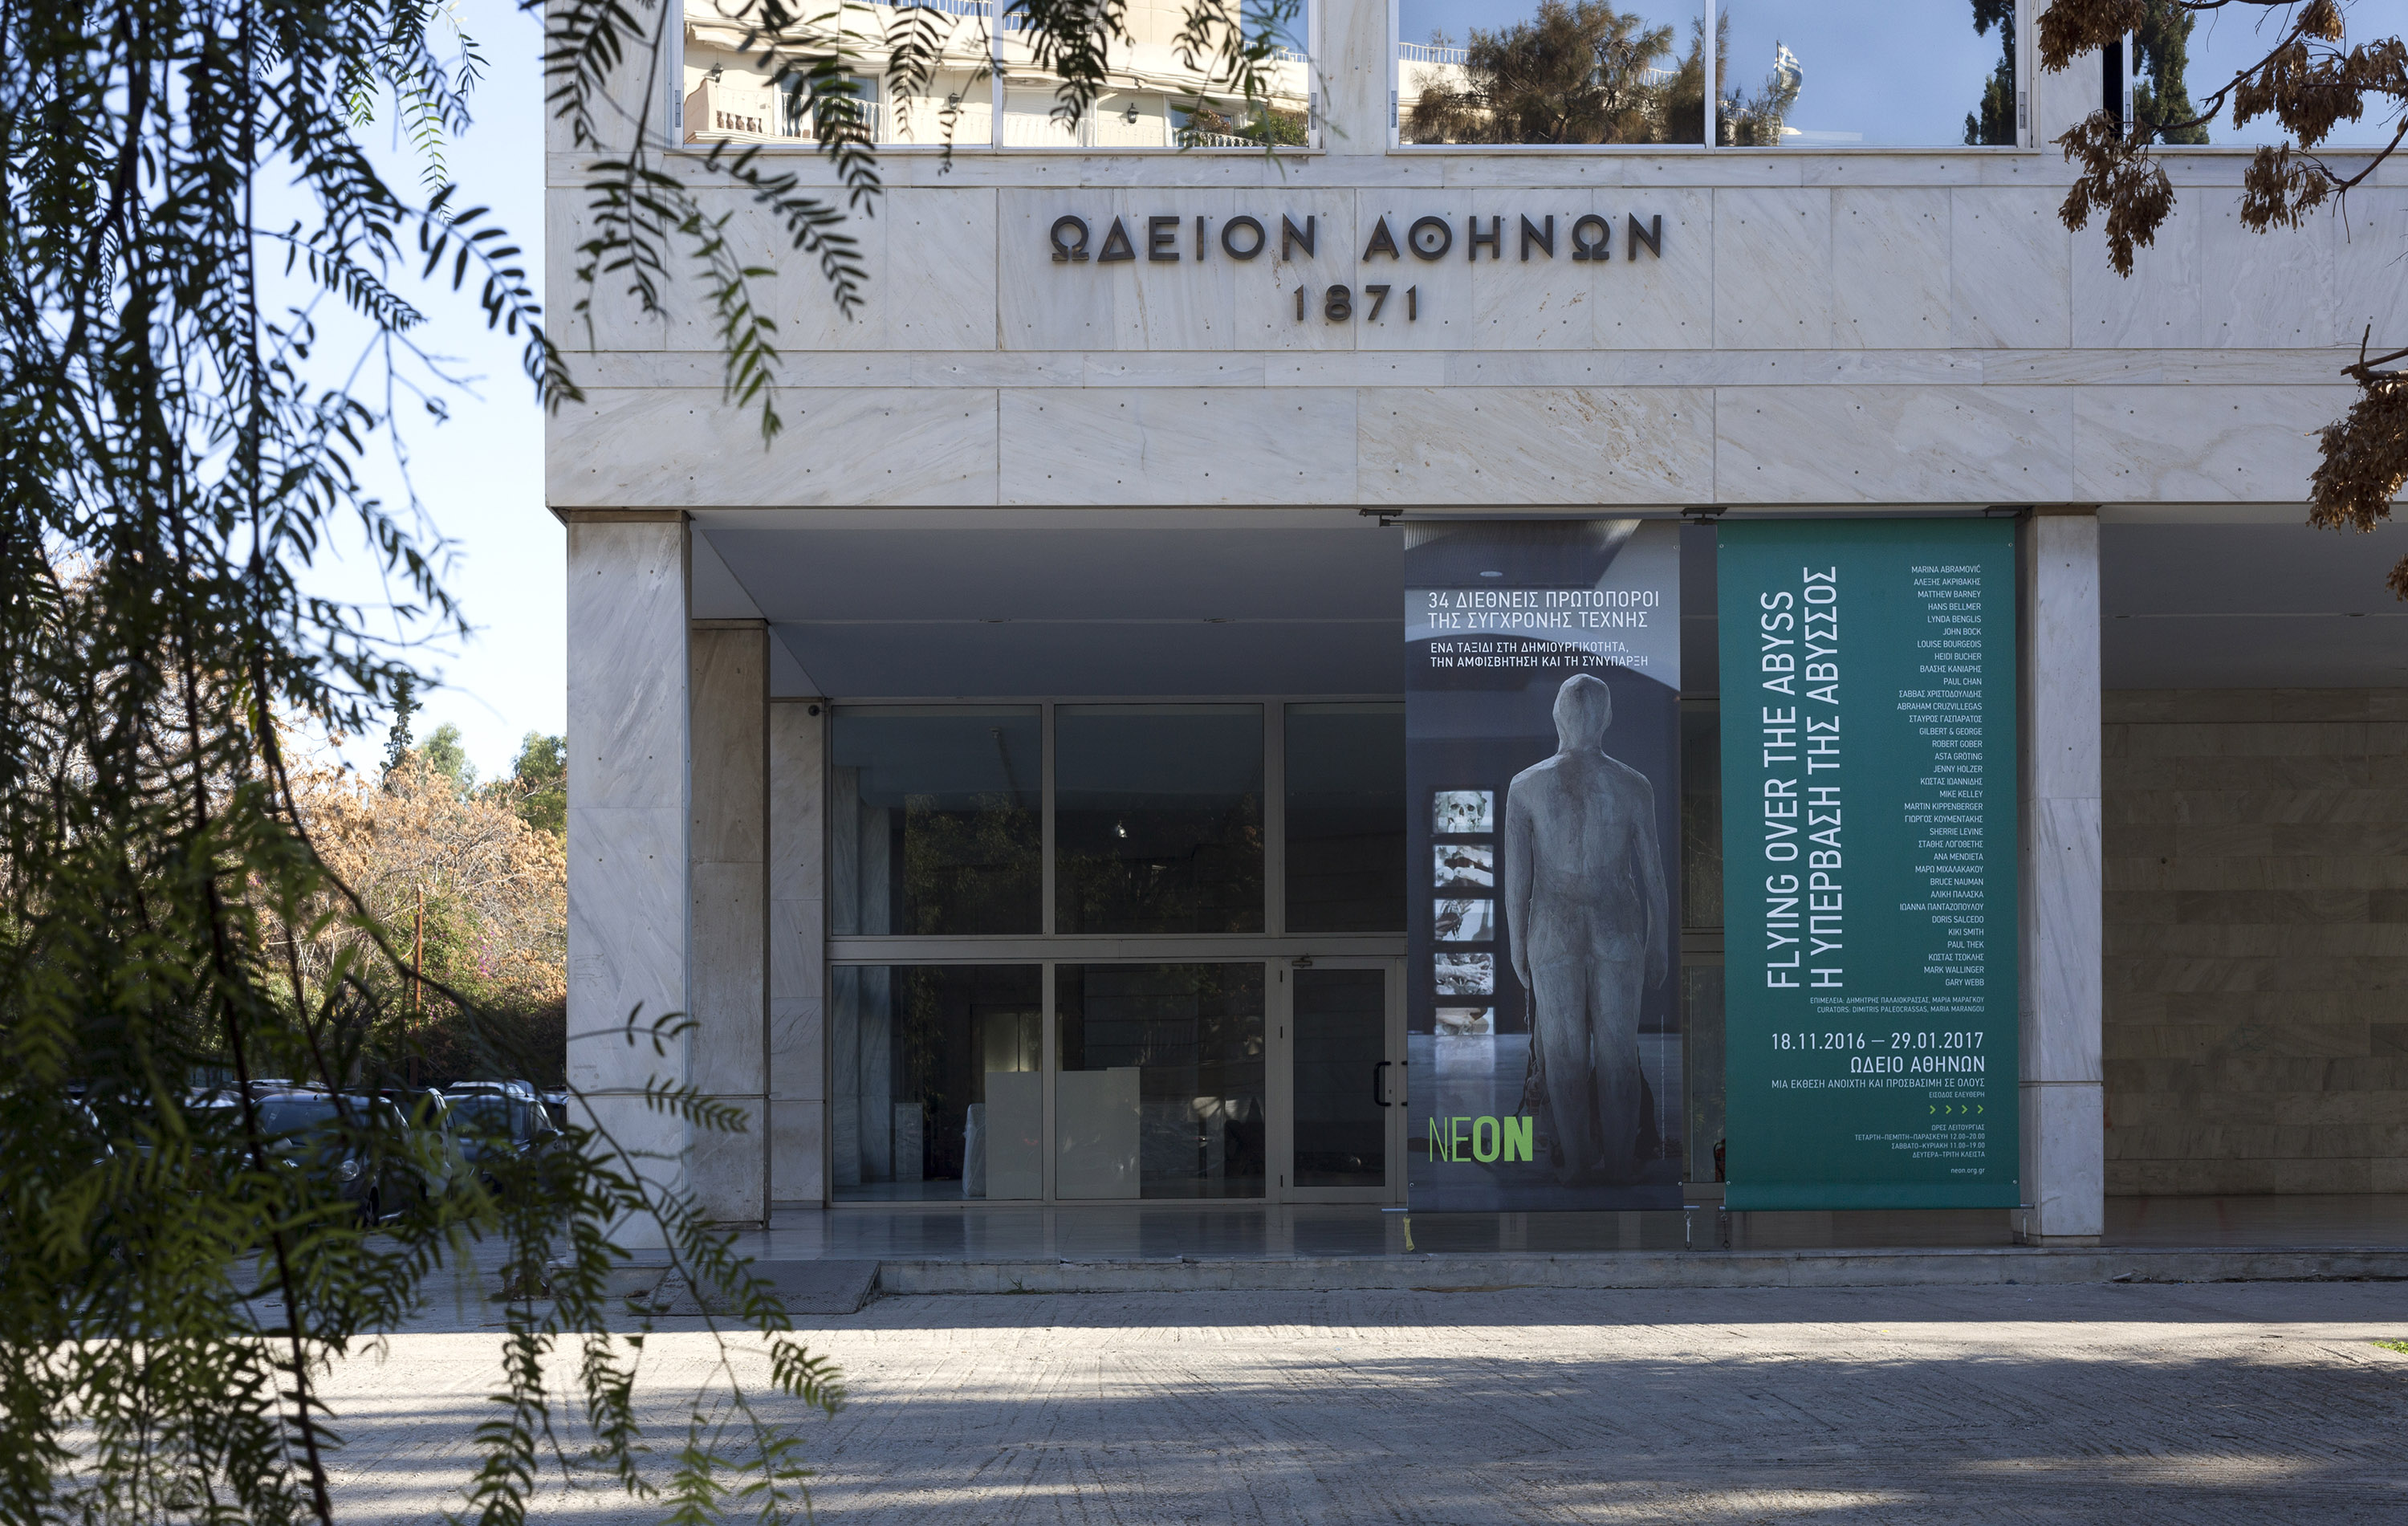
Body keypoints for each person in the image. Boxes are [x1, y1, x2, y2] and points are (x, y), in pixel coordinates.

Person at [1500, 673, 1669, 1184]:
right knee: (1619, 1050)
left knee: (1564, 1051)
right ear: (1607, 719)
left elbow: (1517, 883)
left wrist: (1516, 946)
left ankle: (1576, 1163)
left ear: (1557, 716)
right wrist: (1659, 941)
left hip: (1553, 926)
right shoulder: (1633, 785)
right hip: (1617, 922)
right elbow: (1653, 877)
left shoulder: (1526, 786)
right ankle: (1618, 1164)